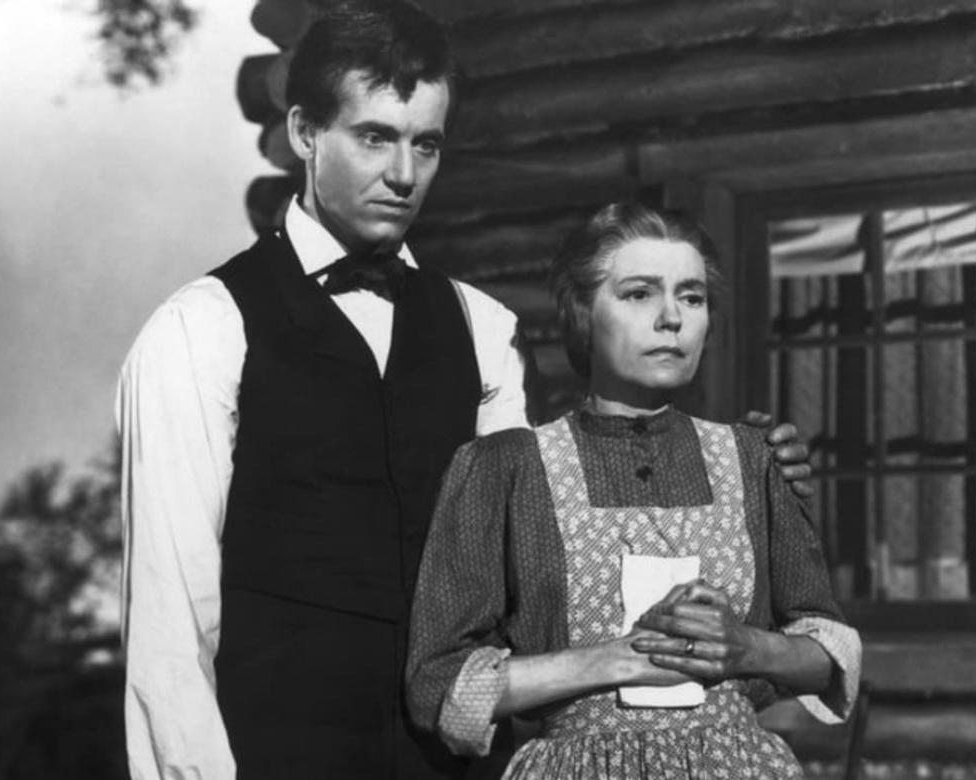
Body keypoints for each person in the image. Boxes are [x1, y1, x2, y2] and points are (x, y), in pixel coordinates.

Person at [117, 2, 812, 778]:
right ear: (305, 132)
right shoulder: (203, 330)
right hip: (273, 755)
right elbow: (170, 624)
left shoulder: (483, 330)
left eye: (427, 144)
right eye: (375, 137)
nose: (404, 174)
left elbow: (548, 553)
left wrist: (751, 477)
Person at [406, 201, 861, 779]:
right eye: (639, 294)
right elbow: (439, 685)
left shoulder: (755, 459)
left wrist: (748, 648)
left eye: (691, 297)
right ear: (581, 312)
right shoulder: (505, 469)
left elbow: (828, 657)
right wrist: (613, 661)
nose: (671, 318)